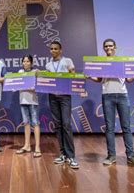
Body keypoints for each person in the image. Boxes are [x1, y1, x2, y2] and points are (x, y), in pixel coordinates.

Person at [88, 39, 134, 167]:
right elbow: (99, 79)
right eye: (106, 46)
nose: (108, 48)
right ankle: (111, 155)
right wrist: (90, 76)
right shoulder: (101, 62)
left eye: (111, 46)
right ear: (103, 48)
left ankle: (131, 155)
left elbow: (129, 80)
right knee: (110, 128)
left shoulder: (122, 61)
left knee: (126, 127)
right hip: (107, 96)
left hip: (122, 96)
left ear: (115, 47)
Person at [45, 41, 79, 169]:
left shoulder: (67, 61)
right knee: (58, 125)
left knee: (66, 125)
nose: (53, 50)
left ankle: (71, 156)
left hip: (65, 96)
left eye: (55, 49)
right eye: (51, 49)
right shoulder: (48, 65)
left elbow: (73, 75)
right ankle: (63, 153)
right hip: (52, 97)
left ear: (60, 50)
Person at [15, 54, 41, 158]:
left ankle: (37, 147)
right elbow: (17, 85)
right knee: (26, 123)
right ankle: (27, 146)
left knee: (35, 123)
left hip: (33, 101)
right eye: (24, 61)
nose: (25, 63)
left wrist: (29, 88)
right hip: (23, 100)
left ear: (31, 63)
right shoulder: (20, 72)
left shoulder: (35, 72)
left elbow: (38, 87)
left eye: (28, 61)